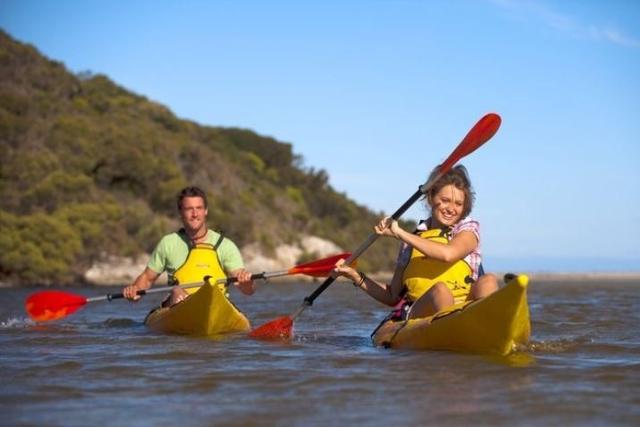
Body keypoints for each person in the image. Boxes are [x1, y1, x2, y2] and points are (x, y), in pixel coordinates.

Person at [334, 165, 498, 321]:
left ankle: (490, 328)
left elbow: (448, 254)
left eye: (458, 204)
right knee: (440, 291)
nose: (451, 208)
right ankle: (452, 330)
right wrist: (355, 276)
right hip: (423, 311)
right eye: (445, 200)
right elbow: (392, 296)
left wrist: (399, 233)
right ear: (431, 198)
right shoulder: (411, 241)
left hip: (465, 306)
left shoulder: (467, 229)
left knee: (489, 280)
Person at [123, 186, 254, 306]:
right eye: (189, 209)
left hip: (215, 305)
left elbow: (248, 291)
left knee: (214, 295)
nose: (195, 214)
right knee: (177, 291)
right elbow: (147, 278)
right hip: (178, 305)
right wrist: (135, 290)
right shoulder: (168, 243)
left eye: (199, 208)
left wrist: (246, 282)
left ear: (206, 211)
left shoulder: (226, 246)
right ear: (180, 212)